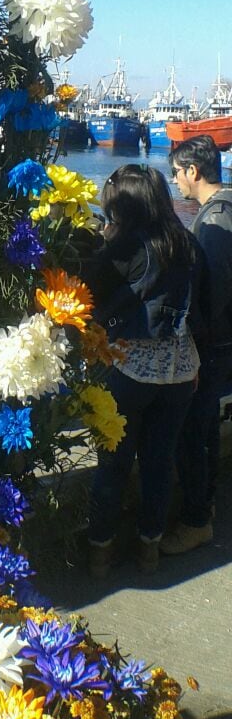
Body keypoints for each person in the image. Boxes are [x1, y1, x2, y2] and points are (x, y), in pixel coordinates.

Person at [84, 164, 205, 578]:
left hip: (131, 367)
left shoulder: (126, 246)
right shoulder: (185, 242)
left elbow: (90, 291)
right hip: (180, 369)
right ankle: (148, 549)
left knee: (113, 465)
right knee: (158, 462)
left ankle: (100, 551)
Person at [161, 135, 232, 554]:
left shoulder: (215, 221)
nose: (175, 181)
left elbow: (214, 289)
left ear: (193, 171)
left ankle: (196, 519)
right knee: (203, 427)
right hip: (222, 341)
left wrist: (193, 338)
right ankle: (202, 509)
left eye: (177, 173)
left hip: (216, 343)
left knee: (195, 430)